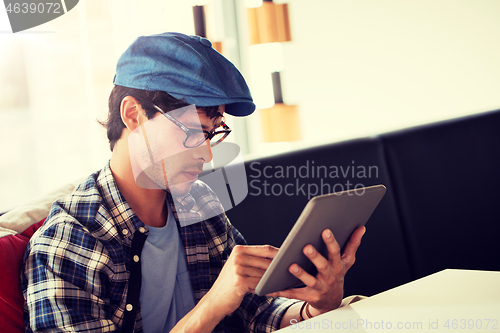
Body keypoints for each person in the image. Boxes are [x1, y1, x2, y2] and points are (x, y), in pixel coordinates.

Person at [21, 32, 365, 333]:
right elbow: (221, 303)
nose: (207, 155)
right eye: (192, 132)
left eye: (212, 134)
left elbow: (254, 314)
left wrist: (317, 307)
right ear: (133, 115)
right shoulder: (68, 243)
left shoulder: (198, 204)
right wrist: (213, 305)